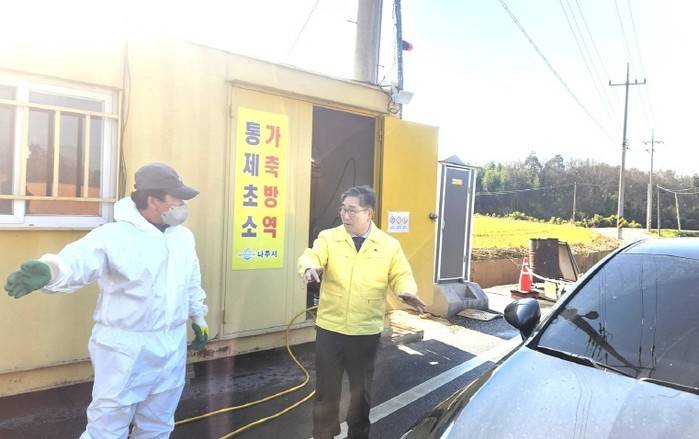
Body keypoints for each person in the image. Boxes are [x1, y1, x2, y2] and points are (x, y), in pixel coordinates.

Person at [4, 162, 209, 439]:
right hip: (125, 347)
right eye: (177, 198)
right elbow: (78, 261)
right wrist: (51, 270)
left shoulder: (182, 237)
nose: (182, 204)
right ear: (154, 200)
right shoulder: (114, 236)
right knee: (108, 424)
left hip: (171, 343)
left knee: (159, 422)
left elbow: (191, 280)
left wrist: (198, 317)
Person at [297, 185, 426, 439]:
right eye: (343, 209)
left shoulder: (388, 245)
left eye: (352, 211)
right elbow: (312, 255)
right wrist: (310, 267)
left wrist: (406, 291)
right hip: (330, 330)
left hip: (365, 331)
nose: (345, 216)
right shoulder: (328, 238)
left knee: (361, 393)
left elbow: (401, 274)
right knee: (325, 393)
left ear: (369, 213)